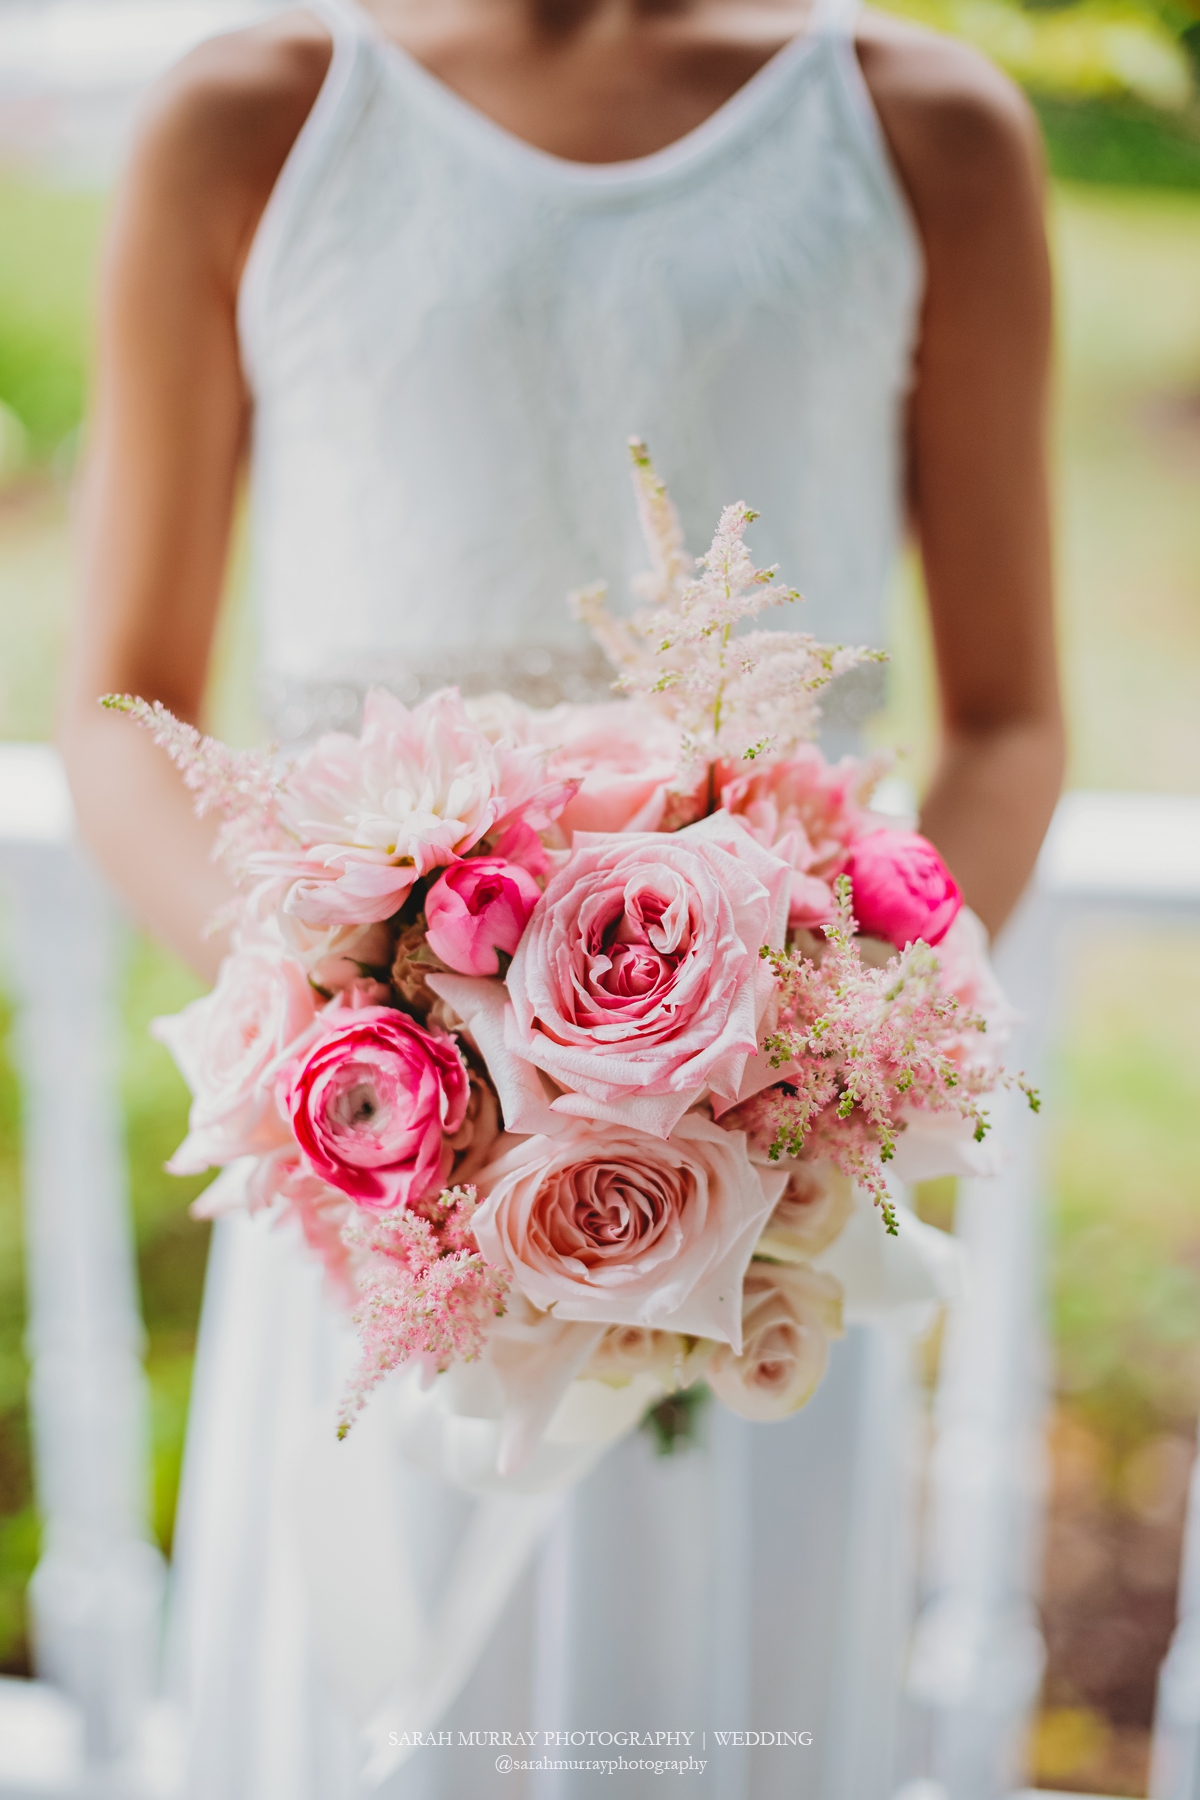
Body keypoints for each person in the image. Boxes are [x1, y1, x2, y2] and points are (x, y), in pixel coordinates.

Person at [62, 0, 1064, 1790]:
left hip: (764, 1211)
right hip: (376, 1192)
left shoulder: (922, 133)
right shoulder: (251, 121)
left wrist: (803, 1075)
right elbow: (117, 708)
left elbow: (1009, 723)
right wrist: (380, 1048)